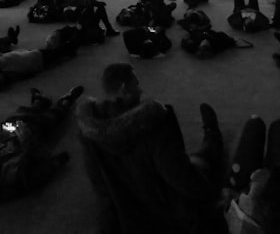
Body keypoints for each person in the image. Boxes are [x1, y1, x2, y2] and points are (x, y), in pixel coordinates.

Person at [76, 63, 224, 234]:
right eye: (136, 84)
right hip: (164, 212)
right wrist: (212, 195)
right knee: (204, 158)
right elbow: (180, 177)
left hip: (129, 218)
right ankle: (212, 132)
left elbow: (99, 184)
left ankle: (210, 134)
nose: (140, 90)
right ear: (124, 89)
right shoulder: (153, 122)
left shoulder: (90, 131)